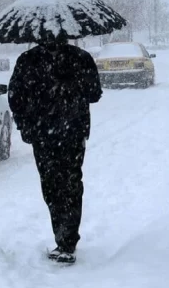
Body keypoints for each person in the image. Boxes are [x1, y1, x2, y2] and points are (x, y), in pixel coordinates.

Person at [8, 37, 102, 265]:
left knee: (52, 184)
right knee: (70, 183)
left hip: (45, 134)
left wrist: (26, 124)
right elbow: (94, 94)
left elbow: (15, 98)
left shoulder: (28, 60)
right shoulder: (80, 57)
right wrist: (72, 85)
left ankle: (64, 238)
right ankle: (67, 240)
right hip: (71, 132)